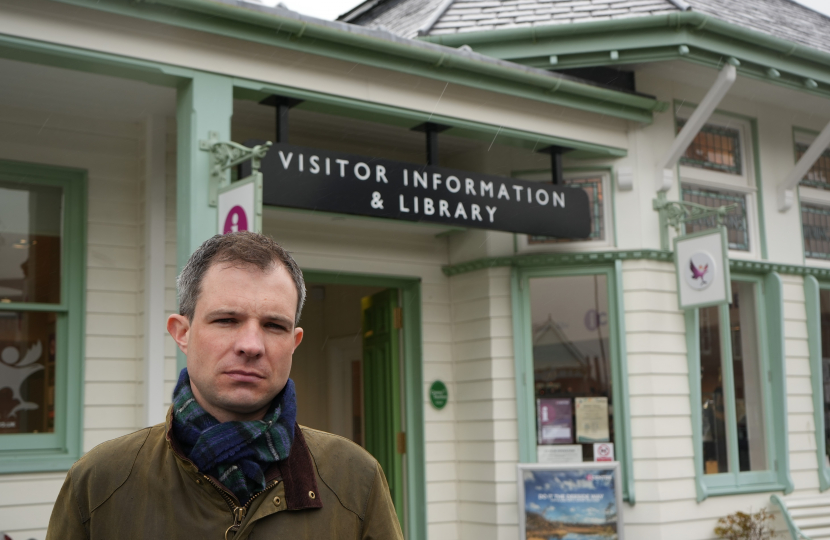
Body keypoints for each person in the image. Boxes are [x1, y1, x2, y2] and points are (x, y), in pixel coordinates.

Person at [46, 231, 403, 539]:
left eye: (274, 325)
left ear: (294, 343)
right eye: (227, 320)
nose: (251, 344)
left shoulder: (356, 479)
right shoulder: (100, 482)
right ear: (182, 333)